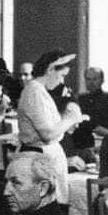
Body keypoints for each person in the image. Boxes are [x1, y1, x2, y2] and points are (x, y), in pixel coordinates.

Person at [17, 50, 84, 206]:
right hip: (38, 158)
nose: (61, 82)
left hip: (47, 157)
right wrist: (70, 118)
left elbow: (51, 127)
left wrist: (67, 123)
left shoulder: (39, 91)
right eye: (62, 76)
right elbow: (47, 133)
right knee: (46, 209)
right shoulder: (34, 91)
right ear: (50, 69)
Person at [72, 67, 108, 151]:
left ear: (102, 80)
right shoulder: (79, 99)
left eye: (95, 79)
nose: (91, 83)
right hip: (83, 144)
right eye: (88, 79)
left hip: (107, 143)